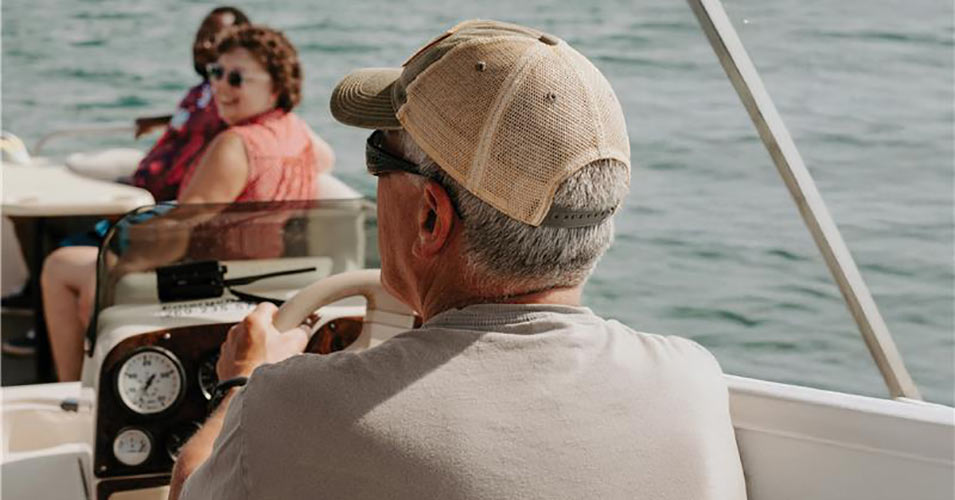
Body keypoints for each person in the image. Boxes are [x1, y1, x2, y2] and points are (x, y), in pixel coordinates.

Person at [172, 20, 746, 500]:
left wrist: (241, 384)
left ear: (431, 217)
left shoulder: (291, 407)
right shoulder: (690, 381)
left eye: (380, 156)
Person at [41, 24, 334, 382]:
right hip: (269, 275)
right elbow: (325, 161)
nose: (221, 86)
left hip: (211, 282)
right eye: (217, 73)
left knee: (61, 265)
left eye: (237, 78)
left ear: (275, 85)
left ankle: (75, 389)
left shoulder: (236, 144)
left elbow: (176, 233)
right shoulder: (298, 132)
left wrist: (119, 255)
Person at [132, 6, 249, 202]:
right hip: (144, 187)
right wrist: (156, 121)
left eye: (213, 39)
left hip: (167, 203)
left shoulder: (232, 99)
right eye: (199, 37)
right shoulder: (201, 91)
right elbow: (197, 119)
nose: (202, 45)